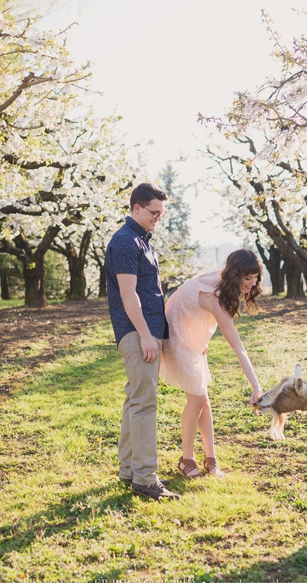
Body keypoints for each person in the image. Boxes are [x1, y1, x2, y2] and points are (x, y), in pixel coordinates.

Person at [160, 249, 264, 478]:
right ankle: (186, 460)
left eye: (255, 277)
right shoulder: (214, 296)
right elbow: (239, 348)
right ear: (235, 275)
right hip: (176, 337)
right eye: (247, 278)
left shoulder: (223, 280)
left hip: (192, 338)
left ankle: (211, 459)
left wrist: (199, 340)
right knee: (197, 400)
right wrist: (256, 386)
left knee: (203, 401)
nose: (253, 282)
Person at [105, 182, 179, 501]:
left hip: (146, 330)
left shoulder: (141, 240)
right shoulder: (125, 241)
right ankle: (146, 478)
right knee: (145, 403)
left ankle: (129, 470)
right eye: (154, 213)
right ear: (136, 208)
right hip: (138, 333)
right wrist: (147, 335)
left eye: (161, 214)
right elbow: (128, 294)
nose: (158, 218)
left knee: (135, 400)